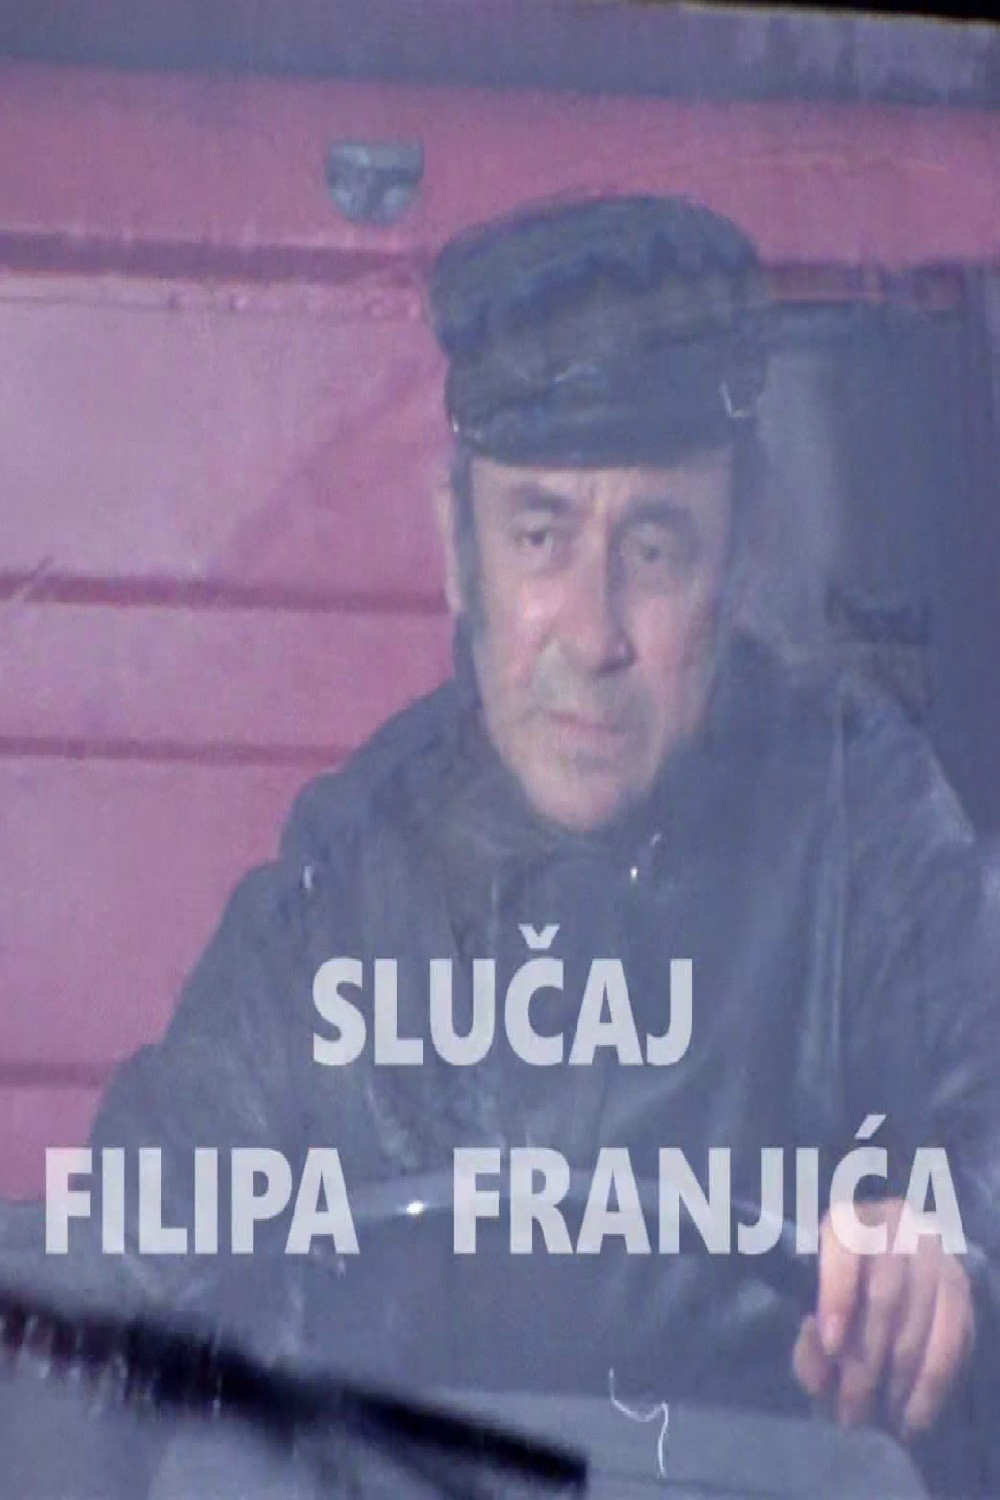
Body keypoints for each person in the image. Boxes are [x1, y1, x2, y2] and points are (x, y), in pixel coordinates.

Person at [3, 194, 999, 1495]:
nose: (592, 633)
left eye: (655, 546)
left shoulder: (862, 817)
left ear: (740, 558)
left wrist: (948, 1239)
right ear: (459, 551)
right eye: (541, 535)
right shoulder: (359, 864)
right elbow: (142, 1215)